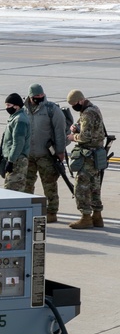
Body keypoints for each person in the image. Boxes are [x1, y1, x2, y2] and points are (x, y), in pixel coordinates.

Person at [23, 83, 68, 223]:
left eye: (42, 95)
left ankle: (52, 212)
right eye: (37, 96)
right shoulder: (23, 110)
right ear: (30, 97)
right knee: (26, 184)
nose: (40, 98)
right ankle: (26, 209)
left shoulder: (52, 109)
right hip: (28, 155)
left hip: (46, 155)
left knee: (49, 185)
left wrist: (60, 151)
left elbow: (60, 132)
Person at [65, 89, 106, 230]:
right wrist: (76, 127)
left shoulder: (87, 113)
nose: (74, 106)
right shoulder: (93, 108)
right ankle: (97, 216)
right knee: (95, 186)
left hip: (88, 156)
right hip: (97, 155)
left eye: (75, 103)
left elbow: (85, 137)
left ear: (81, 100)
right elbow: (90, 128)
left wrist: (73, 137)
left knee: (81, 187)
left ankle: (86, 217)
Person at [1, 93, 30, 191]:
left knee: (12, 189)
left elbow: (18, 143)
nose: (7, 108)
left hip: (17, 161)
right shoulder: (15, 118)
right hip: (15, 159)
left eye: (9, 105)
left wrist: (11, 161)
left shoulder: (19, 120)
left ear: (16, 106)